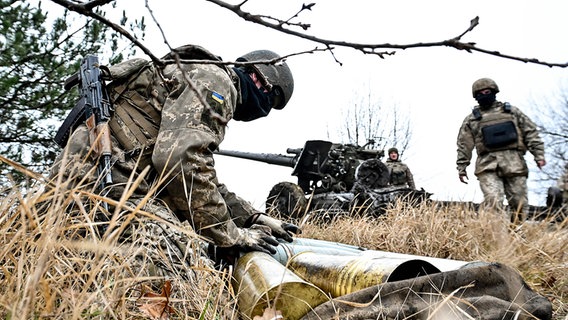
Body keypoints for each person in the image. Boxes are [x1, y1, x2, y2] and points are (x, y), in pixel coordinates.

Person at [50, 44, 301, 259]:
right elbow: (181, 162)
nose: (265, 110)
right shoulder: (216, 82)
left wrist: (251, 218)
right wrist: (232, 236)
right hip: (106, 181)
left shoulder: (197, 71)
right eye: (272, 102)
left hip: (86, 176)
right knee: (177, 255)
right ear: (261, 81)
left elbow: (196, 171)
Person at [456, 77, 546, 221]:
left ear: (494, 92)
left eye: (487, 91)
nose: (484, 95)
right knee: (493, 201)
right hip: (487, 165)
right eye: (480, 93)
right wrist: (462, 166)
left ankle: (518, 234)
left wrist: (539, 155)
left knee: (519, 203)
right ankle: (498, 236)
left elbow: (530, 132)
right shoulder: (472, 119)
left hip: (514, 163)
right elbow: (464, 144)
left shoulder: (512, 112)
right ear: (476, 96)